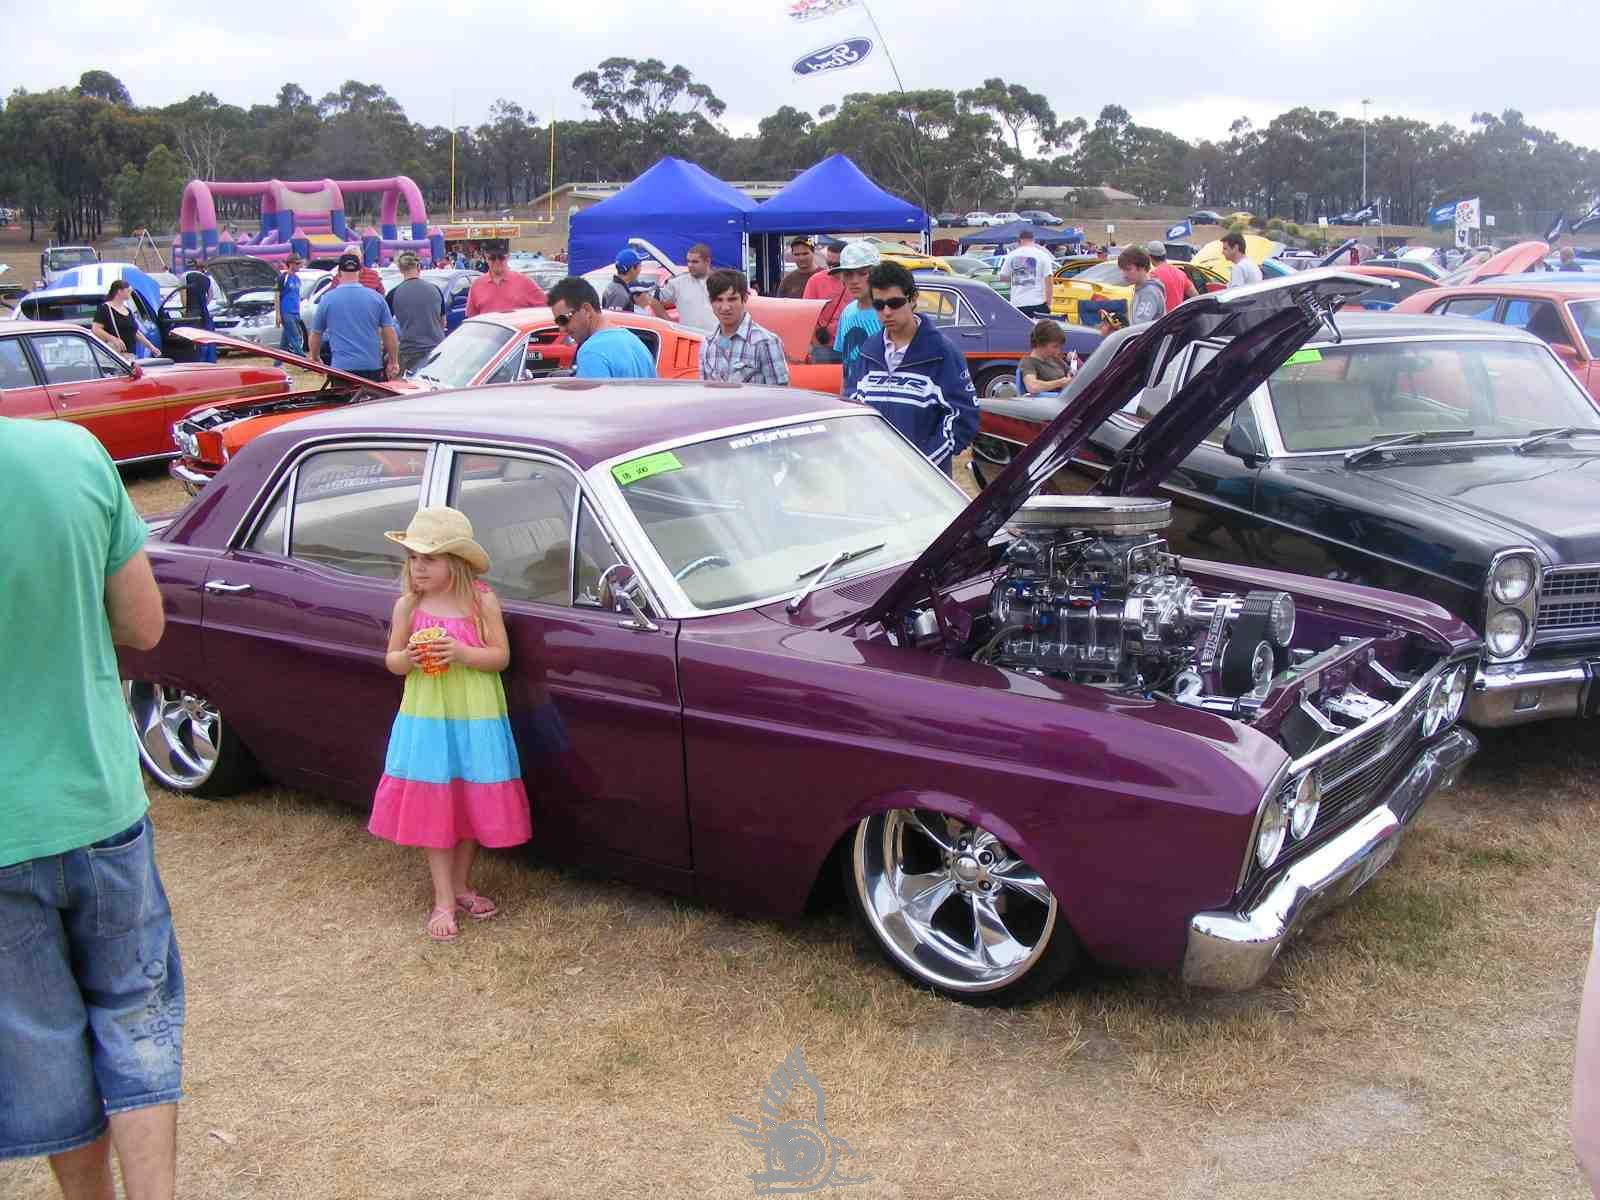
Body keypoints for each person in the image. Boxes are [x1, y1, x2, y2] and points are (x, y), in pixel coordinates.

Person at [0, 416, 178, 1198]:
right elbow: (142, 623)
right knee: (136, 1019)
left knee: (43, 1043)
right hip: (99, 804)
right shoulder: (72, 452)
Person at [373, 507, 531, 943]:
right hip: (428, 717)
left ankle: (461, 885)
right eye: (412, 558)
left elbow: (500, 656)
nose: (417, 568)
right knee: (436, 799)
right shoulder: (409, 605)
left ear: (456, 563)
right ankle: (443, 898)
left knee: (471, 793)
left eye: (429, 559)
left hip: (476, 715)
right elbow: (392, 661)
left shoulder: (481, 601)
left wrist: (461, 653)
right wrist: (411, 657)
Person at [850, 259, 978, 474]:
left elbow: (962, 418)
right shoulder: (868, 350)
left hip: (923, 480)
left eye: (895, 303)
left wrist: (920, 467)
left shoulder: (943, 352)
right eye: (879, 305)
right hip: (872, 476)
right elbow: (853, 406)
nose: (887, 312)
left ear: (913, 299)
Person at [308, 252, 399, 381]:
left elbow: (316, 334)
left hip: (341, 368)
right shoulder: (377, 298)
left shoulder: (327, 299)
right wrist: (393, 361)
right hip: (371, 366)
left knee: (343, 395)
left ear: (338, 273)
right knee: (371, 395)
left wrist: (315, 357)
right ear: (360, 271)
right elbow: (389, 332)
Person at [547, 276, 656, 379]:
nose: (562, 329)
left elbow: (592, 393)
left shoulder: (591, 352)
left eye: (563, 320)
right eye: (558, 322)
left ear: (587, 310)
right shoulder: (635, 342)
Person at [700, 269, 789, 386]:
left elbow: (780, 393)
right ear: (710, 302)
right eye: (718, 300)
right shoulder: (708, 343)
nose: (725, 307)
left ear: (745, 299)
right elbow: (705, 391)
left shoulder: (766, 342)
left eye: (732, 299)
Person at [832, 241, 883, 392]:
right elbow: (845, 365)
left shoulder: (888, 312)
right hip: (852, 398)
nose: (854, 281)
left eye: (863, 273)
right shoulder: (847, 312)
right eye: (848, 274)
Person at [387, 251, 448, 374]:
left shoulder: (393, 294)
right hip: (436, 350)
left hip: (409, 352)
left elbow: (386, 328)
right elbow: (443, 322)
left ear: (400, 270)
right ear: (419, 267)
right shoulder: (435, 290)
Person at [647, 243, 716, 332]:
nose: (690, 265)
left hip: (717, 337)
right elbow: (653, 299)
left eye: (695, 262)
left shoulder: (721, 281)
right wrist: (670, 324)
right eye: (688, 261)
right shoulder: (678, 283)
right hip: (690, 336)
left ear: (707, 261)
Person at [464, 247, 545, 317]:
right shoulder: (476, 285)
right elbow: (472, 317)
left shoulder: (525, 282)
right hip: (488, 330)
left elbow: (545, 309)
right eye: (492, 258)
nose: (497, 261)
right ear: (486, 258)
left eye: (501, 257)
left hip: (516, 330)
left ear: (508, 257)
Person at [804, 239, 849, 361]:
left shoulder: (857, 281)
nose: (832, 268)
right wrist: (816, 344)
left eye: (837, 265)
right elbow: (807, 315)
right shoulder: (815, 281)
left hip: (851, 344)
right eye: (829, 263)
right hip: (824, 345)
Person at [92, 280, 159, 358]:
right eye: (128, 290)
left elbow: (136, 332)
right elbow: (96, 329)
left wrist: (152, 348)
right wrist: (113, 339)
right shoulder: (105, 308)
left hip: (130, 356)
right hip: (113, 357)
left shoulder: (127, 310)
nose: (130, 292)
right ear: (119, 291)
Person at [998, 227, 1057, 316]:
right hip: (1038, 302)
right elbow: (1049, 280)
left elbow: (1003, 277)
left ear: (1019, 241)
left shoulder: (1012, 255)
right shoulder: (1043, 255)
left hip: (1018, 303)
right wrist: (1049, 302)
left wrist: (1018, 277)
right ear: (1033, 240)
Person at [1019, 320, 1072, 394]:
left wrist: (1074, 361)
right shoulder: (1028, 363)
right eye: (1055, 346)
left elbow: (1070, 372)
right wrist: (1060, 383)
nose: (1058, 351)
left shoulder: (1054, 358)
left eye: (1059, 347)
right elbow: (1032, 387)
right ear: (1040, 344)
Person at [1118, 247, 1167, 327]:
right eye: (1122, 270)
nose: (1124, 275)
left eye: (1128, 269)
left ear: (1142, 268)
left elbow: (1139, 328)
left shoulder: (1149, 293)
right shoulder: (1141, 289)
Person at [1147, 241, 1197, 313]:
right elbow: (1195, 296)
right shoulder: (1180, 273)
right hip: (1178, 316)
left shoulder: (1153, 276)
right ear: (1165, 254)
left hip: (1164, 318)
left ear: (1150, 257)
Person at [182, 265, 217, 362]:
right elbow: (211, 295)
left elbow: (183, 294)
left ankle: (195, 359)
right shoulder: (207, 279)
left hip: (191, 311)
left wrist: (184, 309)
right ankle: (206, 359)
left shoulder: (185, 276)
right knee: (204, 336)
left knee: (192, 338)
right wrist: (205, 304)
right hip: (203, 312)